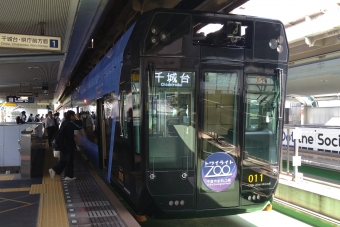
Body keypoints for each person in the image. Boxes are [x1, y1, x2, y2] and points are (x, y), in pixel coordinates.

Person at [49, 110, 82, 180]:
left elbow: (65, 132)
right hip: (68, 144)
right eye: (74, 115)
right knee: (70, 160)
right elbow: (80, 126)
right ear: (71, 116)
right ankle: (68, 176)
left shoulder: (64, 122)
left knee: (64, 159)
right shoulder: (70, 123)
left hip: (63, 144)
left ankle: (54, 170)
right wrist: (78, 118)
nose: (75, 116)